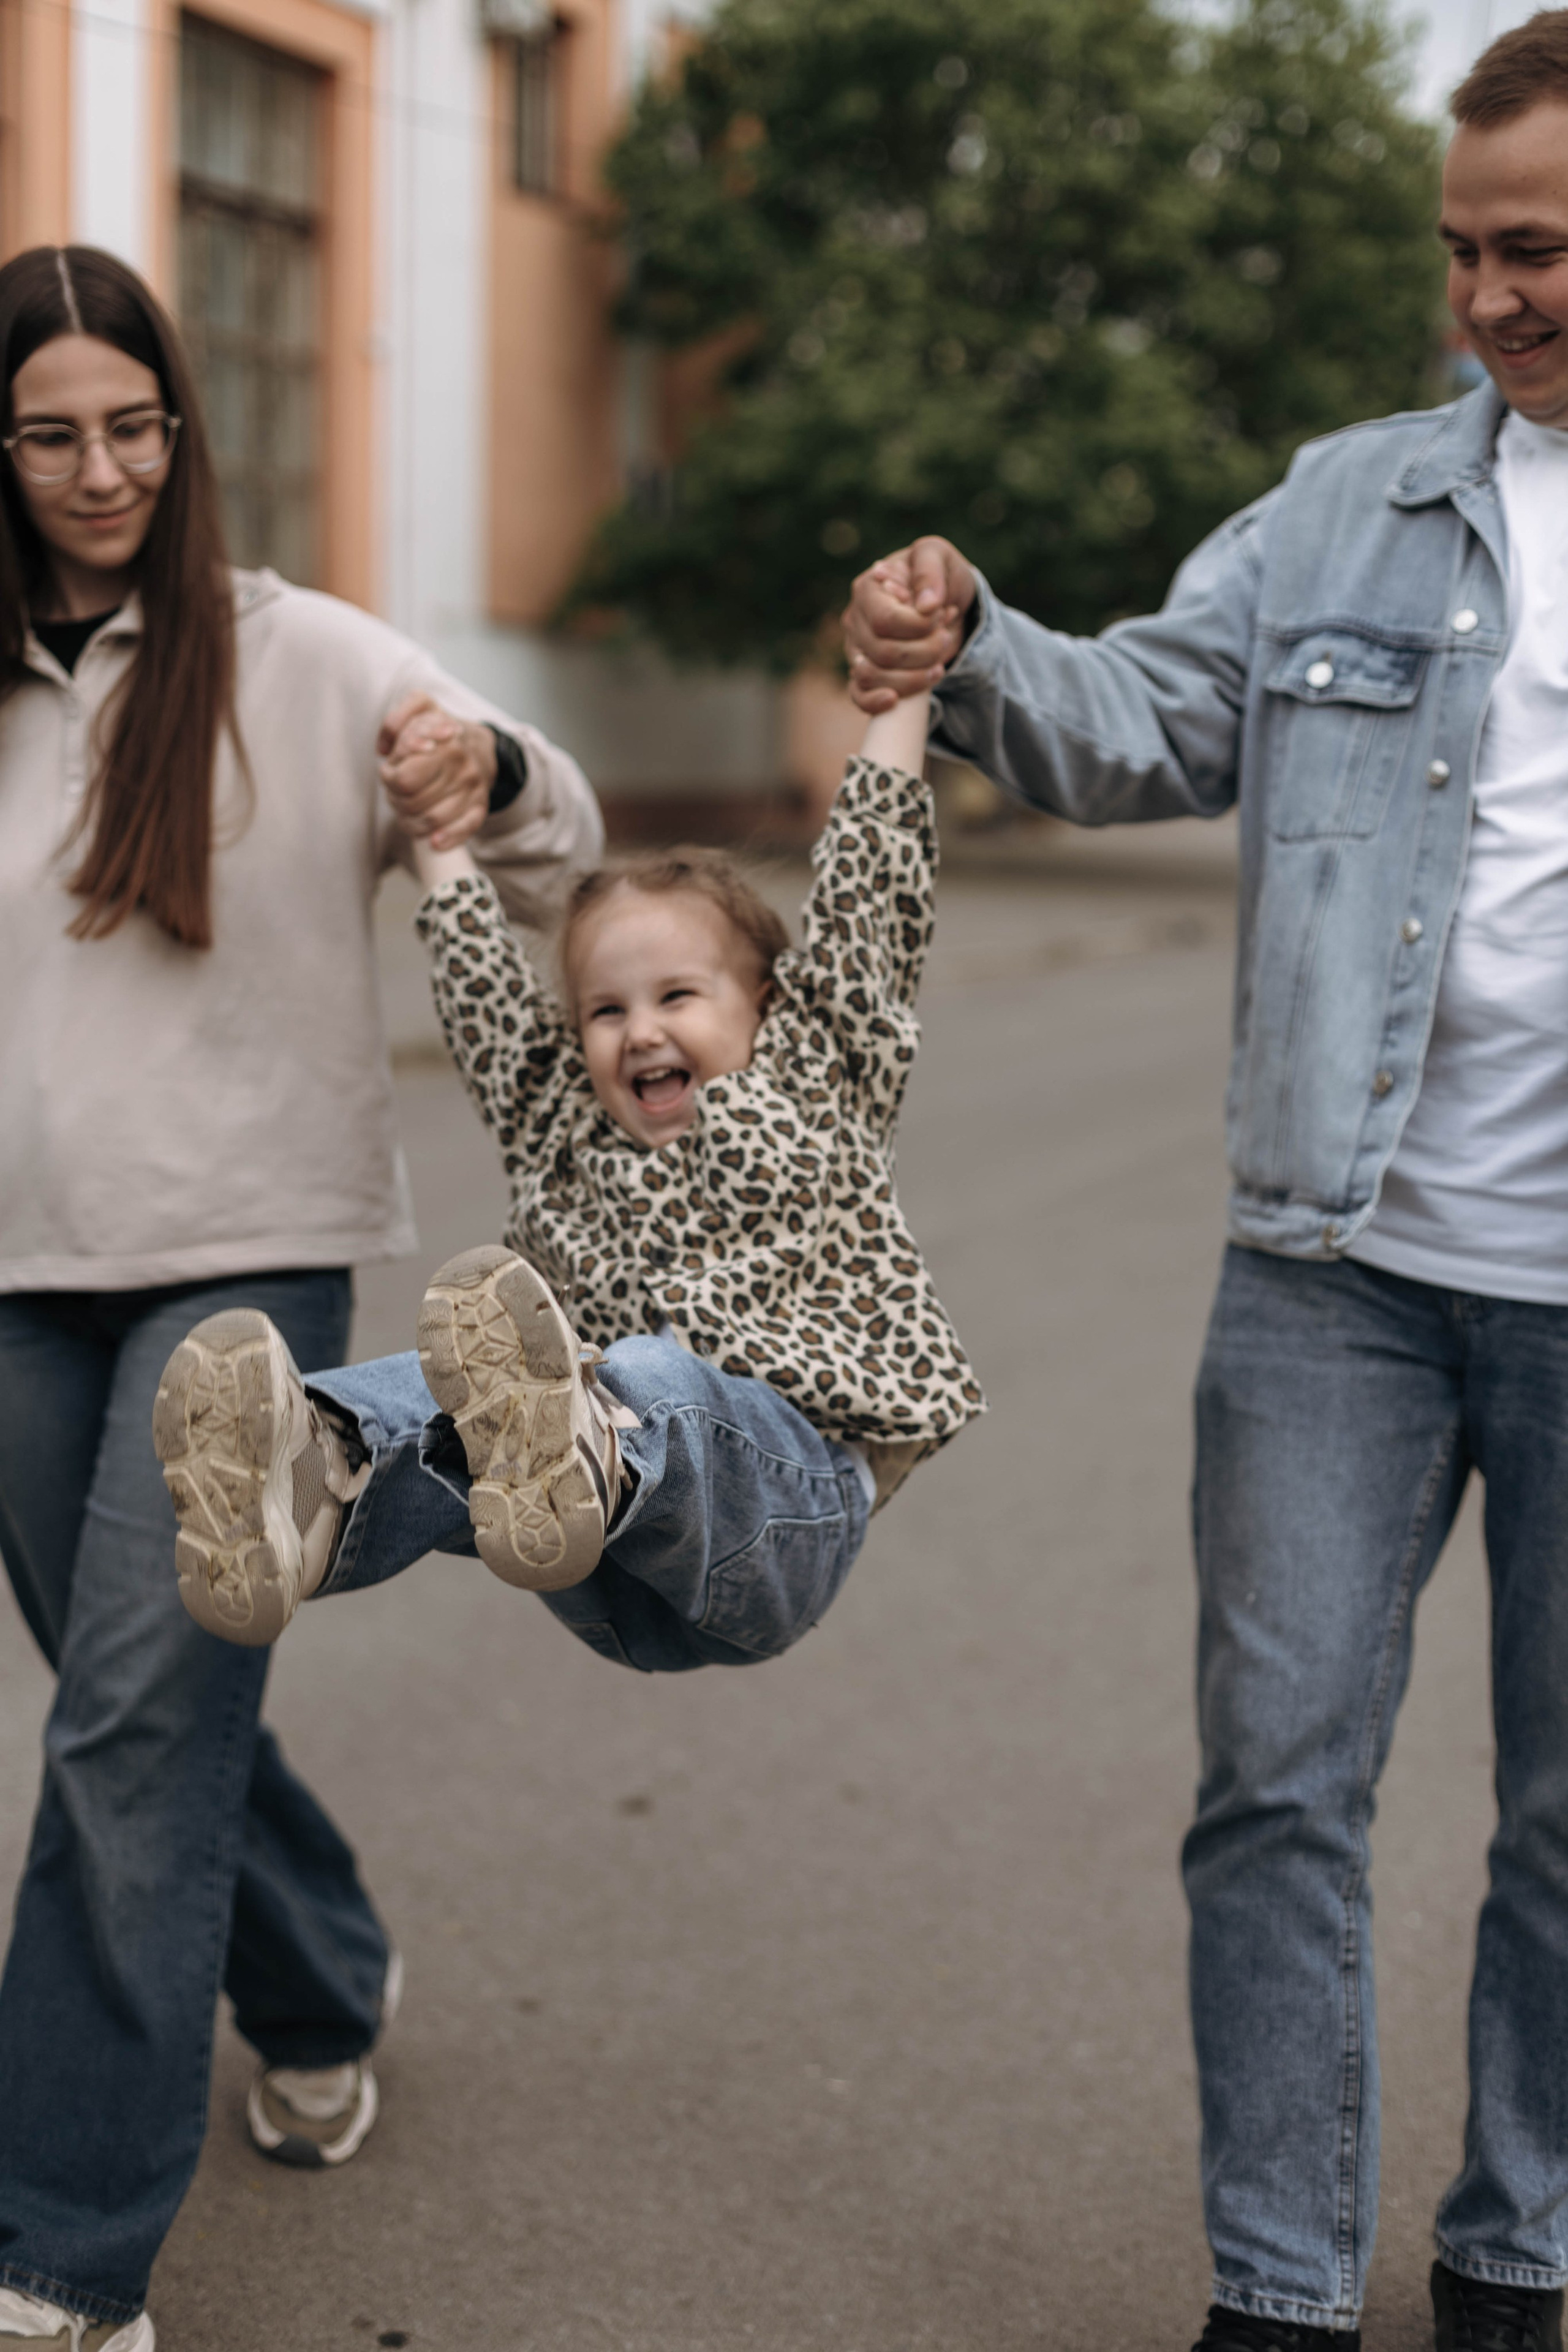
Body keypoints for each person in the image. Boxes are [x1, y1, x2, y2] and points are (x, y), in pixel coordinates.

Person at [842, 16, 1568, 2352]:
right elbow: (1149, 713)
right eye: (1465, 250)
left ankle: (1520, 2252)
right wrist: (966, 650)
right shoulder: (1350, 495)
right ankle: (1276, 2292)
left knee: (1564, 1830)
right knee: (1276, 1791)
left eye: (1537, 246)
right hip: (1333, 1269)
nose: (1493, 297)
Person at [0, 246, 601, 2352]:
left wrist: (492, 780)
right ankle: (326, 1973)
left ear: (185, 428)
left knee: (133, 1730)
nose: (102, 470)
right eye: (56, 433)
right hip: (15, 1271)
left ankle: (60, 2254)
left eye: (136, 426)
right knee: (125, 1712)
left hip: (241, 1252)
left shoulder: (304, 654)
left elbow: (562, 838)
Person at [149, 685, 982, 1685]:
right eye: (604, 1011)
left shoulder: (822, 1076)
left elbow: (870, 891)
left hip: (781, 1521)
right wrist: (437, 831)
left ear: (770, 1005)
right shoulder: (559, 1123)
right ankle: (312, 1477)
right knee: (458, 1389)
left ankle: (596, 1435)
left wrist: (907, 695)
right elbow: (479, 987)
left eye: (677, 996)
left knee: (646, 1375)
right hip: (588, 1562)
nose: (639, 1031)